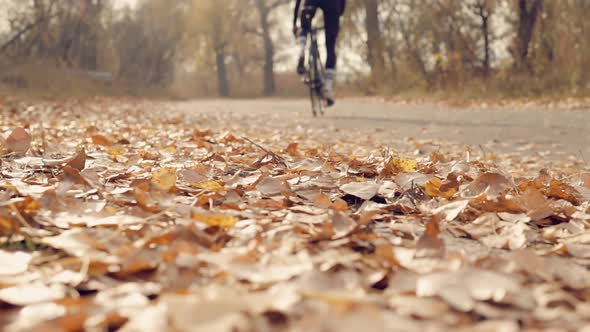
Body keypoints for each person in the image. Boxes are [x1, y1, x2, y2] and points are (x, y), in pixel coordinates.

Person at [293, 0, 346, 106]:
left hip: (311, 2)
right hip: (332, 4)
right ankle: (328, 87)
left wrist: (294, 22)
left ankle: (302, 50)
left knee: (304, 27)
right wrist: (338, 13)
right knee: (330, 46)